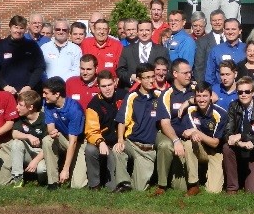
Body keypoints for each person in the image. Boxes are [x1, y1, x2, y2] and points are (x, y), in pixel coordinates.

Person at [113, 63, 160, 192]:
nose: (151, 80)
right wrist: (120, 140)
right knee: (117, 150)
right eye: (146, 77)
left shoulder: (159, 96)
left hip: (148, 150)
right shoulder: (131, 96)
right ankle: (123, 183)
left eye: (152, 76)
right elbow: (122, 120)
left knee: (139, 189)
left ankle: (134, 182)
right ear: (139, 79)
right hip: (132, 143)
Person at [222, 76, 254, 194]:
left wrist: (242, 136)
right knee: (226, 148)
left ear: (253, 92)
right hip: (238, 147)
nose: (243, 94)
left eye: (247, 91)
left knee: (251, 191)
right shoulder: (233, 106)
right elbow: (228, 130)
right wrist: (239, 142)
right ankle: (232, 188)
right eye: (240, 92)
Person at [152, 59, 196, 195]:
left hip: (189, 135)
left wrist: (189, 101)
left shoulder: (195, 89)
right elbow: (164, 123)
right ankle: (162, 185)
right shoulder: (167, 94)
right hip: (169, 134)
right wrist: (176, 140)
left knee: (179, 187)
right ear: (175, 74)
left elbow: (213, 96)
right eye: (185, 73)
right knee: (165, 145)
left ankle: (193, 184)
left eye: (190, 72)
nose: (189, 75)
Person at [83, 70, 130, 191]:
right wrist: (100, 141)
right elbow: (91, 131)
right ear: (98, 87)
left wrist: (123, 139)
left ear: (115, 83)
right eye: (103, 86)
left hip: (122, 140)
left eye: (109, 85)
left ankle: (119, 183)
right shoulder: (93, 105)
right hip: (103, 142)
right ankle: (95, 185)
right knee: (89, 149)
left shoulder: (124, 96)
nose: (107, 89)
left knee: (111, 187)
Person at [179, 81, 227, 194]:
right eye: (198, 96)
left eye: (205, 96)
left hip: (216, 152)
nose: (201, 99)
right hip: (199, 148)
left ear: (211, 97)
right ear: (194, 98)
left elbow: (215, 143)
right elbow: (186, 133)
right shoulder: (190, 111)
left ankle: (208, 177)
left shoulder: (220, 114)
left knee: (213, 191)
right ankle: (193, 184)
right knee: (188, 143)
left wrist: (196, 132)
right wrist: (191, 134)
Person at [41, 76, 87, 189]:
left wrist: (65, 170)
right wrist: (52, 131)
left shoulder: (74, 110)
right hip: (63, 137)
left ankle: (68, 172)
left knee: (77, 186)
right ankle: (53, 182)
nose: (43, 95)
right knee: (47, 140)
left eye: (46, 93)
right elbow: (50, 125)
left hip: (78, 142)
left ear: (57, 94)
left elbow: (73, 143)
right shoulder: (47, 103)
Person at [0, 16, 45, 95]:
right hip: (5, 92)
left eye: (21, 28)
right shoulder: (0, 46)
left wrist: (29, 86)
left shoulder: (32, 45)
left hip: (28, 94)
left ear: (25, 29)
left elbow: (40, 67)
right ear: (10, 27)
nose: (18, 31)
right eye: (16, 27)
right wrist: (4, 86)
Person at [9, 90, 47, 187]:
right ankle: (17, 178)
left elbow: (49, 146)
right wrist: (28, 136)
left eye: (20, 105)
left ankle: (42, 181)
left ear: (30, 107)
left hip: (43, 153)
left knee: (41, 170)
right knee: (16, 143)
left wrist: (35, 161)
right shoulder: (21, 118)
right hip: (28, 152)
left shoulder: (44, 119)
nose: (17, 107)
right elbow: (14, 133)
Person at [117, 20, 168, 88]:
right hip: (132, 91)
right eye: (141, 30)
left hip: (155, 91)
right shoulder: (127, 50)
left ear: (152, 32)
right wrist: (131, 77)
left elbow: (168, 71)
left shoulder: (162, 50)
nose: (144, 33)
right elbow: (120, 70)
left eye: (147, 30)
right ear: (137, 32)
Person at [205, 18, 246, 86]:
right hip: (221, 91)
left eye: (233, 29)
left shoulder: (247, 49)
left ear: (240, 31)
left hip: (243, 92)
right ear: (223, 31)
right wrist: (214, 91)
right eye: (227, 29)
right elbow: (209, 75)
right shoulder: (216, 50)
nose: (230, 32)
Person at [194, 9, 226, 80]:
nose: (217, 22)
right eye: (214, 20)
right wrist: (201, 86)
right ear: (210, 22)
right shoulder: (202, 41)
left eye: (219, 20)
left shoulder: (230, 39)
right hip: (210, 83)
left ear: (224, 21)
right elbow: (199, 67)